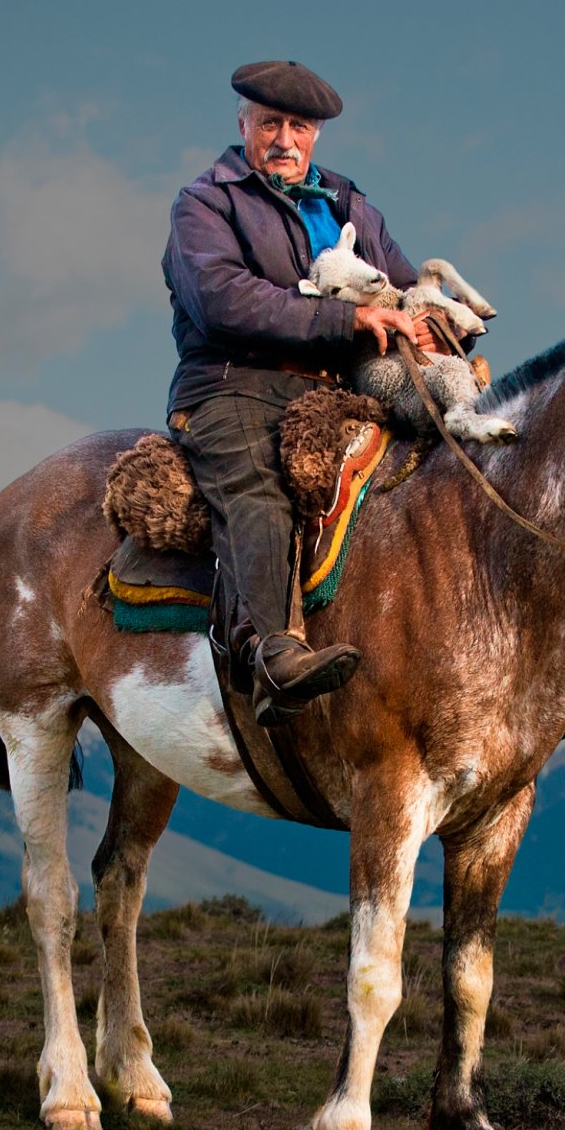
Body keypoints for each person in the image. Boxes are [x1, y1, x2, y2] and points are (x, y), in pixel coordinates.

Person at [163, 60, 433, 726]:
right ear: (243, 124)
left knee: (455, 463)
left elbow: (400, 282)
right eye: (271, 123)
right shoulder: (205, 203)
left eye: (300, 127)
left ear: (316, 135)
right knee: (259, 485)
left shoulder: (349, 203)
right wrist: (349, 320)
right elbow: (222, 299)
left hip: (344, 388)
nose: (285, 139)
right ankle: (271, 653)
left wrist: (434, 324)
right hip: (234, 384)